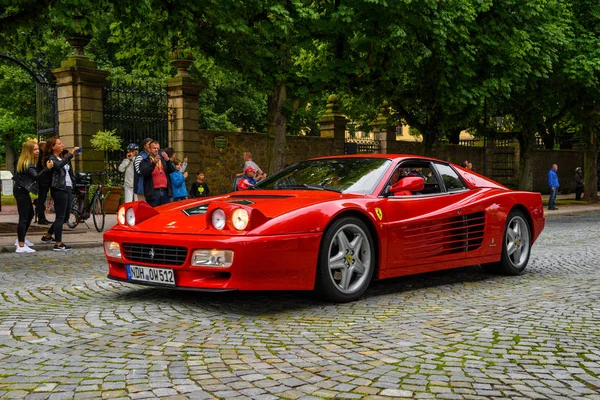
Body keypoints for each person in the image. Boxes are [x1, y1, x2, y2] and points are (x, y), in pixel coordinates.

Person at [12, 140, 54, 253]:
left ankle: (21, 239)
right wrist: (47, 168)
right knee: (24, 217)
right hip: (21, 191)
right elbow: (36, 177)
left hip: (21, 190)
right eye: (35, 149)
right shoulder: (29, 163)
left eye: (37, 149)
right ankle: (20, 245)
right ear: (29, 151)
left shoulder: (23, 161)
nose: (37, 151)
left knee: (30, 214)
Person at [41, 137, 81, 251]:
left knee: (66, 217)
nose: (62, 145)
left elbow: (68, 171)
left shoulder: (61, 157)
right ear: (53, 147)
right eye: (59, 143)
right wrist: (71, 154)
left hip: (67, 187)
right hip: (59, 188)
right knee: (60, 216)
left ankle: (47, 236)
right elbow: (58, 166)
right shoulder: (50, 158)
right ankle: (58, 243)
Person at [138, 140, 175, 207]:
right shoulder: (145, 161)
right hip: (153, 193)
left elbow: (172, 170)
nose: (156, 150)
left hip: (165, 191)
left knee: (165, 213)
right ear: (149, 149)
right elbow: (145, 172)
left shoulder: (163, 160)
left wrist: (168, 160)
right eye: (154, 148)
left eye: (158, 148)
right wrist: (154, 163)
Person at [35, 140, 52, 225]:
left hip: (43, 180)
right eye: (46, 146)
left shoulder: (42, 156)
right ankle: (41, 218)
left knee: (42, 199)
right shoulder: (42, 156)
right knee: (41, 199)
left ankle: (41, 217)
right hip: (43, 180)